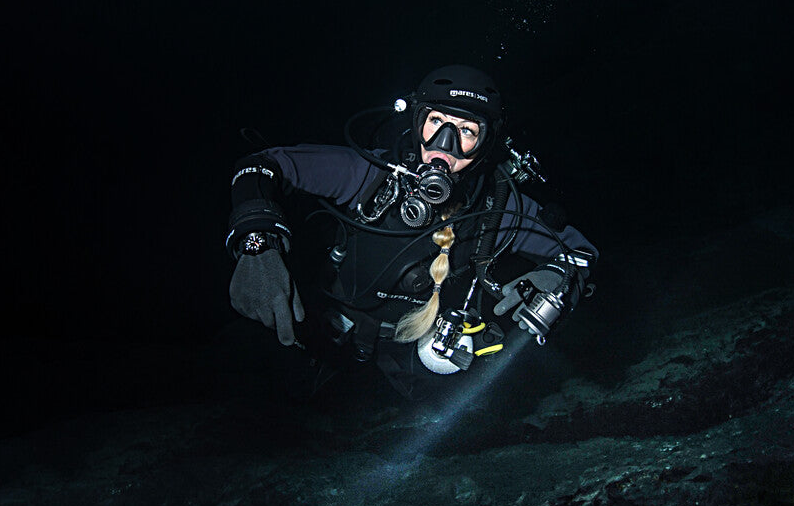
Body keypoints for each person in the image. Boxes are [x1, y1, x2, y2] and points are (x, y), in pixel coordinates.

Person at [225, 64, 598, 400]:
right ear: (417, 121)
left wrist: (558, 277)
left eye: (466, 131)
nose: (445, 145)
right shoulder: (370, 175)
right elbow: (263, 165)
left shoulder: (498, 209)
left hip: (412, 358)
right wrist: (257, 244)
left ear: (487, 143)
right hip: (322, 330)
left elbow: (580, 254)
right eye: (436, 121)